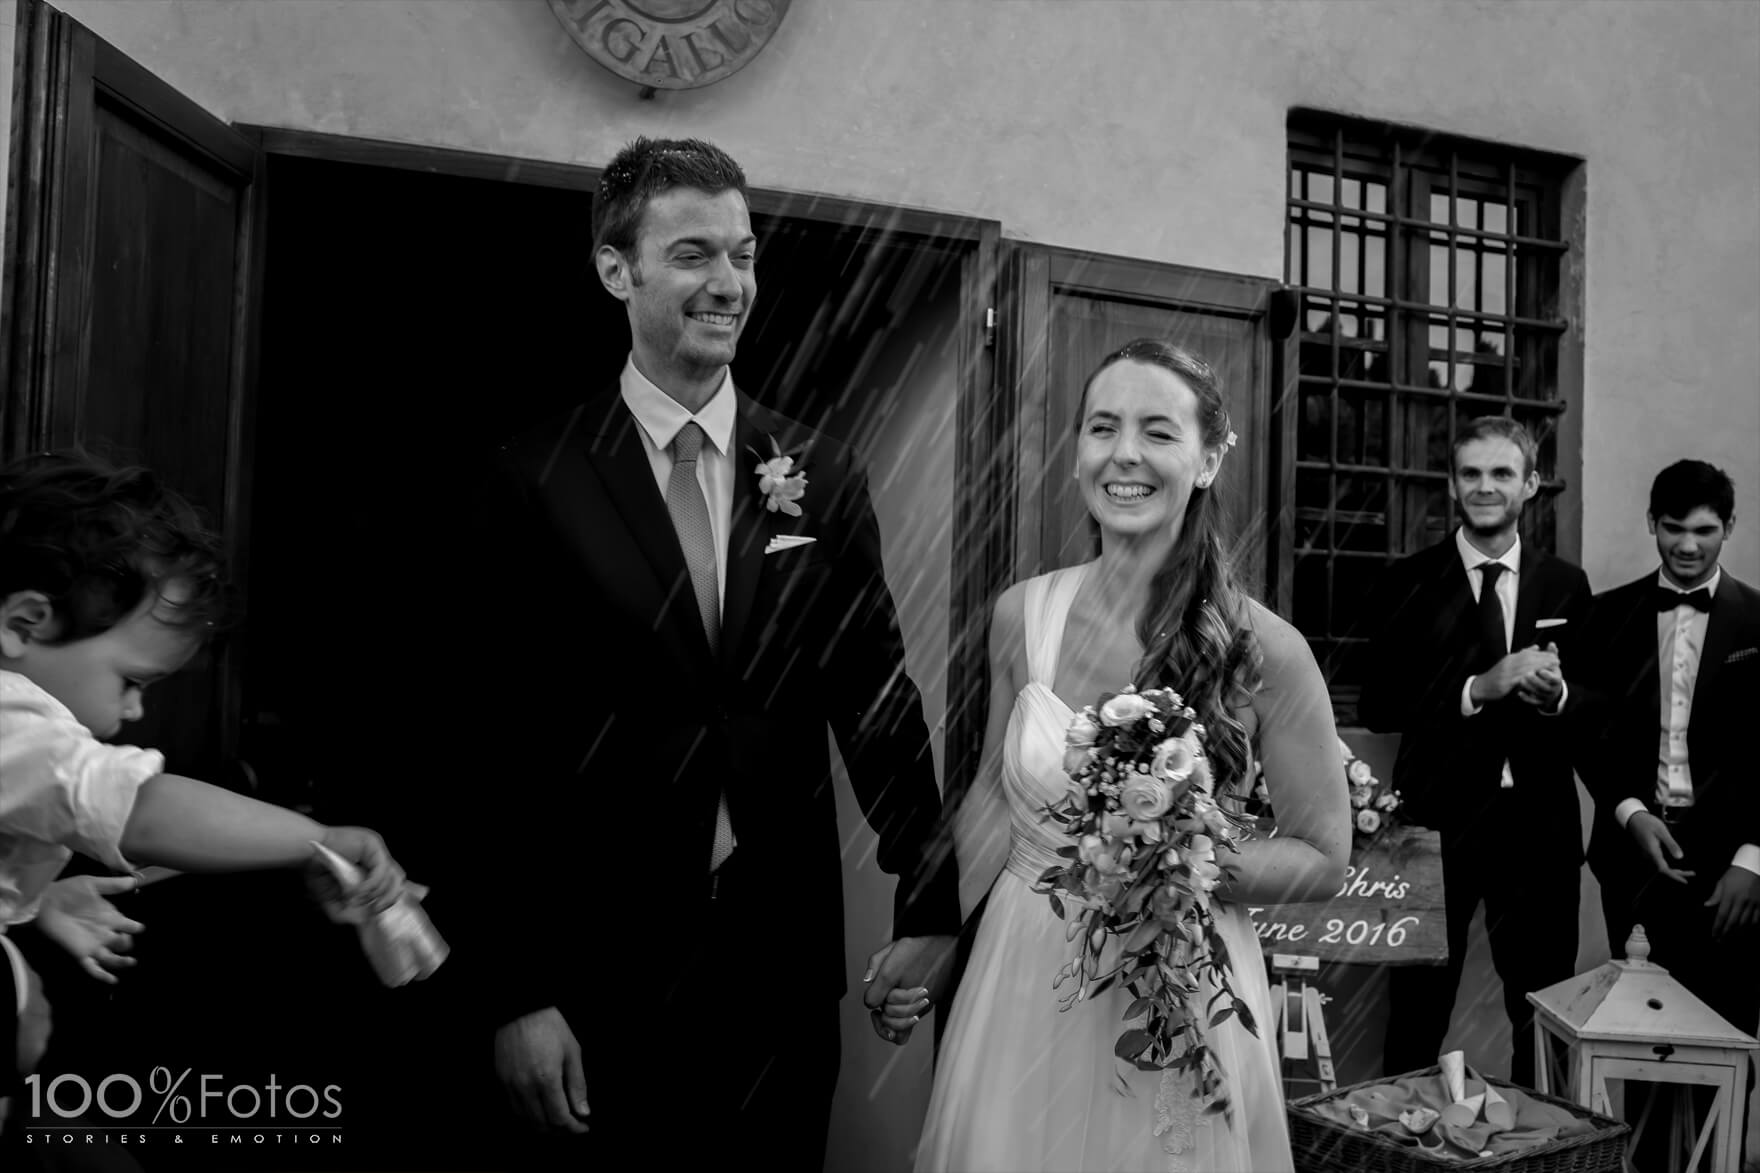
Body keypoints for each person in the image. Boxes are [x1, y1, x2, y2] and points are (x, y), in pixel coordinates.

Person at [473, 136, 960, 1169]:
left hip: (779, 963)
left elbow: (874, 697)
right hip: (599, 964)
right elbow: (492, 748)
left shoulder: (817, 471)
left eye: (741, 255)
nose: (727, 283)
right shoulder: (534, 476)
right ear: (618, 269)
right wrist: (516, 991)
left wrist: (929, 898)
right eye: (693, 254)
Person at [912, 339, 1348, 1172]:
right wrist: (932, 936)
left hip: (1182, 980)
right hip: (1024, 970)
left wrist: (1177, 858)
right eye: (1103, 427)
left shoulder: (1269, 652)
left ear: (1211, 456)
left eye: (1158, 431)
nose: (1125, 455)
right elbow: (993, 800)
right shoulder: (1020, 616)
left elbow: (1324, 858)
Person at [0, 453, 412, 977]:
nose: (134, 709)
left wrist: (36, 904)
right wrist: (319, 840)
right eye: (130, 681)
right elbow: (142, 811)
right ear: (25, 623)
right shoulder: (7, 712)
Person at [1361, 416, 1591, 1088]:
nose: (1485, 487)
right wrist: (1475, 687)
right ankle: (1396, 1150)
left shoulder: (1566, 586)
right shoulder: (1407, 581)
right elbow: (1379, 703)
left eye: (1500, 473)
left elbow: (1597, 705)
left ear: (1531, 482)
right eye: (1471, 474)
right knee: (1415, 1013)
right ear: (1453, 484)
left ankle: (1544, 1152)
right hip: (1437, 825)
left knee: (1544, 1012)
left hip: (1540, 830)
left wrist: (1557, 695)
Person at [1577, 460, 1758, 1036]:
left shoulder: (1759, 621)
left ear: (1729, 526)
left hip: (1733, 873)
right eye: (1672, 527)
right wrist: (1629, 813)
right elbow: (1589, 734)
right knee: (1635, 1042)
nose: (1686, 544)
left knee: (1722, 1043)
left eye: (1703, 530)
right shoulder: (1605, 616)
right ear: (1650, 522)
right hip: (1632, 862)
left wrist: (1753, 859)